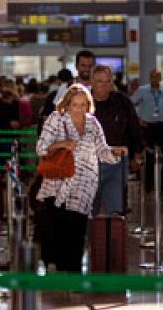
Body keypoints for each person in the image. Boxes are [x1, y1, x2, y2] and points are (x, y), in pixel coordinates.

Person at [36, 85, 127, 272]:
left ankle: (74, 271)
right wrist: (62, 144)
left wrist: (115, 152)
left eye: (83, 104)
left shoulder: (92, 123)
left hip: (84, 182)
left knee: (77, 228)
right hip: (57, 181)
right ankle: (57, 267)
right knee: (58, 226)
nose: (79, 108)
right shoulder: (56, 119)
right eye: (75, 104)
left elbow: (102, 150)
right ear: (66, 104)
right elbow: (41, 148)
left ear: (88, 105)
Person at [91, 65, 144, 215]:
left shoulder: (122, 101)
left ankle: (114, 236)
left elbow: (134, 126)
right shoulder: (84, 103)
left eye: (108, 81)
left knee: (115, 208)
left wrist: (137, 153)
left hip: (118, 160)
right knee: (89, 207)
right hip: (91, 161)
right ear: (92, 82)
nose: (104, 86)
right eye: (100, 81)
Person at [130, 69, 163, 193]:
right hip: (148, 126)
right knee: (148, 156)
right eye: (153, 76)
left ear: (161, 78)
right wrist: (138, 119)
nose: (155, 79)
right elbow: (130, 104)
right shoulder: (142, 90)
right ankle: (148, 185)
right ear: (149, 78)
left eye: (157, 76)